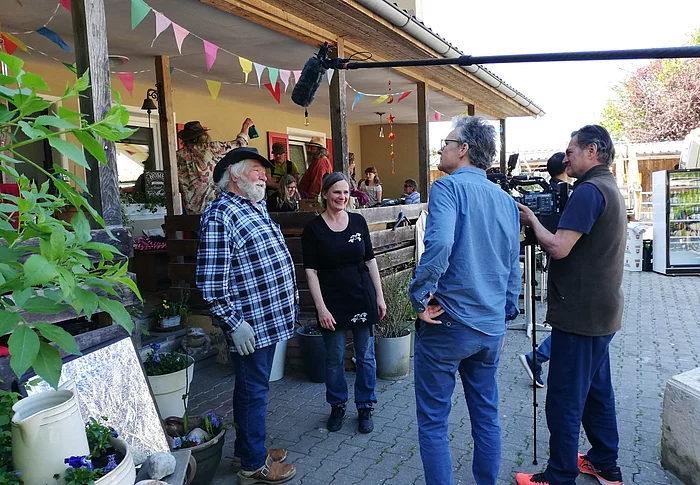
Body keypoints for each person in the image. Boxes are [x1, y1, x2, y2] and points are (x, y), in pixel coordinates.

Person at [409, 116, 521, 485]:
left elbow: (440, 244)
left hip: (448, 323)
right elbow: (513, 264)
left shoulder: (447, 187)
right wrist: (505, 316)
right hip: (489, 328)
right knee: (486, 417)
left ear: (464, 149)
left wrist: (418, 296)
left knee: (433, 422)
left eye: (446, 142)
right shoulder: (506, 201)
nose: (441, 149)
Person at [515, 125, 626, 485]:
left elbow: (559, 247)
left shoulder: (589, 191)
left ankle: (559, 475)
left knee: (564, 399)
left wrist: (531, 220)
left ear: (592, 150)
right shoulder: (607, 186)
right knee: (596, 392)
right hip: (601, 313)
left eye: (570, 151)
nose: (566, 159)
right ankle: (604, 462)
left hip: (581, 315)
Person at [196, 146, 297, 485]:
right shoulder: (220, 214)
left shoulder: (254, 207)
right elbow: (211, 282)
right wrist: (234, 324)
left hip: (267, 321)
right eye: (257, 169)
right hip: (250, 325)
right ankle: (253, 465)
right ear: (235, 175)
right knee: (254, 391)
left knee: (252, 389)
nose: (264, 176)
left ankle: (247, 449)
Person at [301, 172, 387, 434]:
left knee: (366, 357)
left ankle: (365, 407)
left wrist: (380, 296)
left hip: (362, 297)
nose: (342, 197)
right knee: (334, 358)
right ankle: (337, 405)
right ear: (325, 194)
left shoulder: (358, 222)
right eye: (337, 192)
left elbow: (370, 261)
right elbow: (311, 272)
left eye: (346, 192)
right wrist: (321, 308)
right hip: (332, 302)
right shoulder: (313, 229)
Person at [518, 151, 572, 388]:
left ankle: (537, 357)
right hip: (566, 266)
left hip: (554, 263)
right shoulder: (564, 195)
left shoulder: (550, 190)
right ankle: (536, 357)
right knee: (572, 326)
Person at [176, 118, 254, 214]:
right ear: (203, 136)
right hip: (211, 208)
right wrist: (246, 126)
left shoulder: (177, 155)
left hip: (190, 211)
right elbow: (239, 145)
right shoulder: (209, 149)